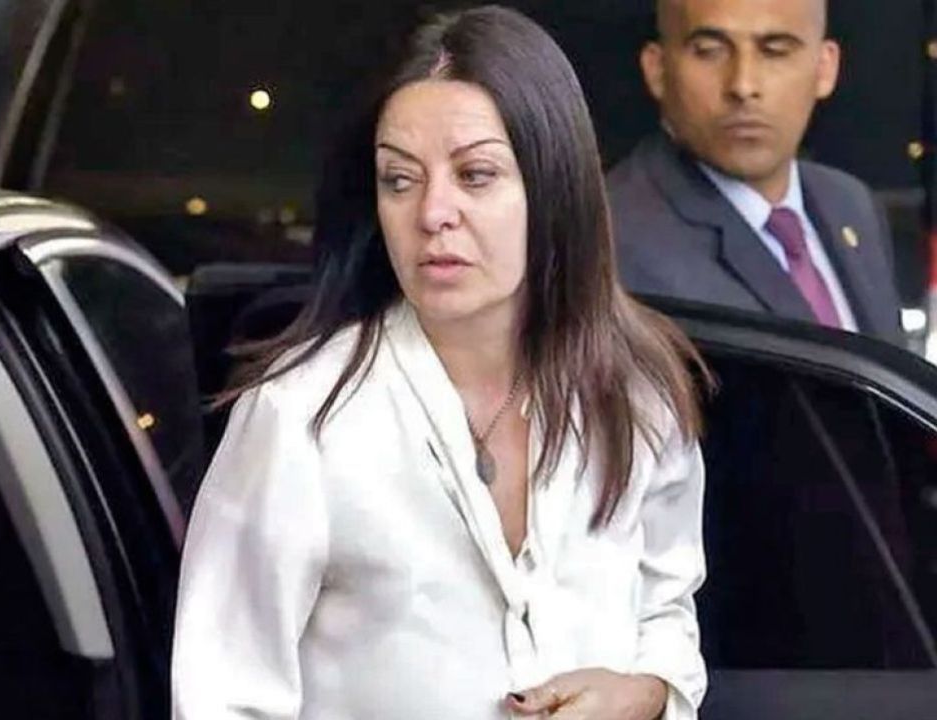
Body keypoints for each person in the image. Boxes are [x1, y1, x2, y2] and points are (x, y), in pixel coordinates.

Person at [172, 6, 709, 720]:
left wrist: (646, 694)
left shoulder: (637, 394)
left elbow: (668, 606)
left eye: (475, 175)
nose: (432, 213)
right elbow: (221, 698)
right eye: (399, 180)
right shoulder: (301, 418)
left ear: (553, 189)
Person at [607, 0, 903, 345]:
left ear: (825, 68)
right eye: (709, 51)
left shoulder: (849, 202)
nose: (743, 85)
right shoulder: (613, 240)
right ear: (657, 68)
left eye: (775, 52)